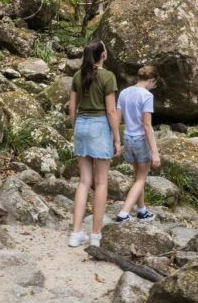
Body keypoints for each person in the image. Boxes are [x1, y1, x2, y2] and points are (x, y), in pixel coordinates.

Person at [67, 41, 121, 248]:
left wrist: (76, 128)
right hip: (100, 127)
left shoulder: (77, 76)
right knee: (101, 182)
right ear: (103, 55)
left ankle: (76, 232)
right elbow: (111, 111)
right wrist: (116, 138)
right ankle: (96, 234)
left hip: (81, 124)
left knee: (83, 181)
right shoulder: (108, 77)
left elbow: (72, 108)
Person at [115, 65, 161, 223]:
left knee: (138, 177)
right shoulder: (147, 96)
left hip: (127, 137)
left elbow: (117, 117)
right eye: (154, 84)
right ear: (151, 80)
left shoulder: (124, 92)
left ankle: (142, 211)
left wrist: (117, 140)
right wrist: (155, 151)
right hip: (141, 139)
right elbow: (147, 125)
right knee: (141, 179)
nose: (153, 87)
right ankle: (124, 213)